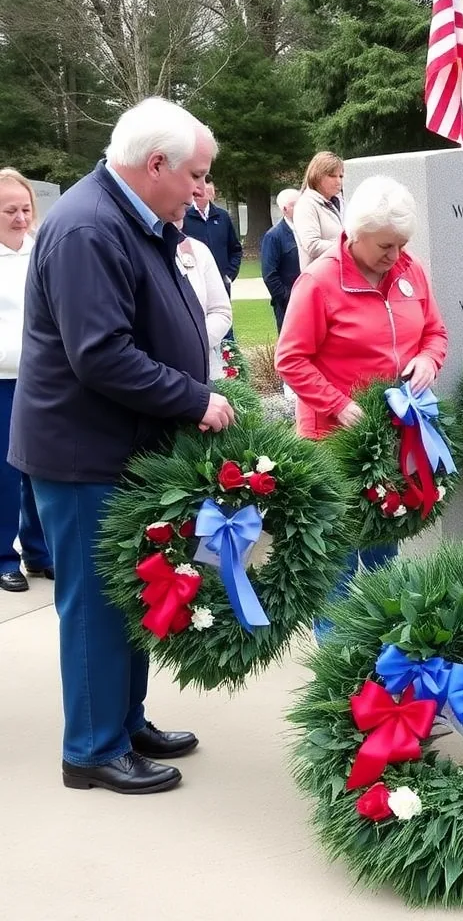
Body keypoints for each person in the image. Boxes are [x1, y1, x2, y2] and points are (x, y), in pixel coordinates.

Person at [9, 97, 235, 794]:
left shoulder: (133, 218)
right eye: (194, 175)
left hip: (123, 446)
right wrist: (195, 398)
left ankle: (123, 718)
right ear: (155, 164)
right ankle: (92, 748)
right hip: (84, 454)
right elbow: (100, 354)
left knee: (133, 595)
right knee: (97, 604)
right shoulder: (88, 227)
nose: (200, 191)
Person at [275, 175, 448, 643]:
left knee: (381, 545)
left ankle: (381, 651)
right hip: (334, 440)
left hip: (395, 434)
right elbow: (290, 359)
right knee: (339, 557)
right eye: (385, 246)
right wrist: (338, 405)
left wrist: (427, 360)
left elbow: (435, 333)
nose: (395, 256)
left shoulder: (411, 273)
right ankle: (341, 665)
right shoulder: (319, 281)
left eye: (401, 244)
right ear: (354, 234)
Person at [0, 169, 52, 593]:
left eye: (25, 209)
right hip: (1, 380)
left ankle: (39, 551)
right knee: (4, 473)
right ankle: (4, 555)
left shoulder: (41, 250)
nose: (20, 218)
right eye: (9, 211)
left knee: (40, 467)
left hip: (40, 380)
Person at [174, 227, 233, 379]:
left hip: (205, 370)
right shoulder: (131, 247)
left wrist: (193, 342)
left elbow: (221, 311)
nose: (188, 202)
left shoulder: (198, 250)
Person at [181, 177, 242, 295]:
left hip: (221, 284)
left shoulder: (222, 217)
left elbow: (235, 249)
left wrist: (229, 275)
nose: (198, 194)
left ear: (211, 194)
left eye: (203, 191)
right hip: (194, 284)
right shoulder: (184, 216)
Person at [293, 150, 345, 270]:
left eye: (341, 176)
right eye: (332, 176)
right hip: (320, 278)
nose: (338, 181)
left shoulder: (340, 202)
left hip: (339, 275)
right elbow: (312, 246)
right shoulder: (306, 204)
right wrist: (348, 246)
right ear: (317, 176)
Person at [261, 187, 301, 332]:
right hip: (288, 305)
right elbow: (269, 274)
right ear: (285, 209)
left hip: (310, 299)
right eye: (297, 204)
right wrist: (287, 297)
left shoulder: (307, 230)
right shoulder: (274, 236)